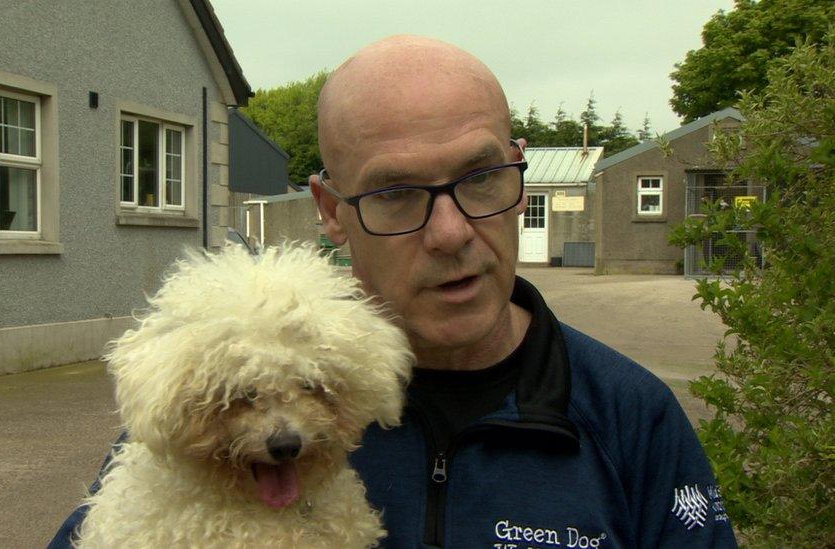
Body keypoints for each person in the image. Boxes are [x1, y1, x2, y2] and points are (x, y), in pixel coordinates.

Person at [51, 36, 738, 548]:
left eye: (481, 177)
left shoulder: (629, 416)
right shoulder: (197, 431)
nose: (450, 231)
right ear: (330, 209)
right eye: (396, 192)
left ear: (518, 166)